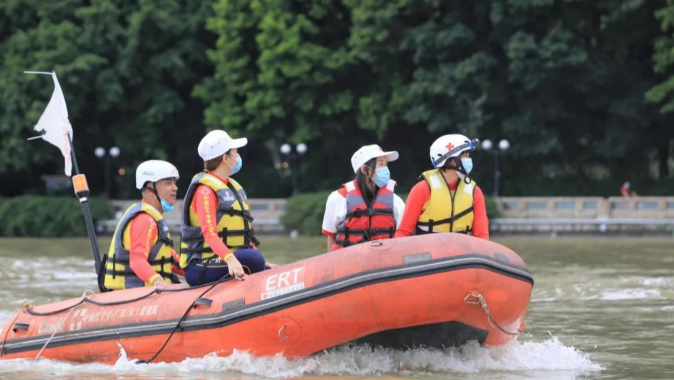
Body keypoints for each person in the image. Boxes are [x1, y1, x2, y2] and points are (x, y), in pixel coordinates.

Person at [180, 130, 277, 286]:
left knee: (255, 259)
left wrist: (262, 262)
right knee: (252, 259)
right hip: (200, 265)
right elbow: (209, 234)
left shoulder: (230, 186)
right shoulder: (205, 190)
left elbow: (245, 237)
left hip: (225, 259)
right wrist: (231, 259)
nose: (238, 156)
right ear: (225, 158)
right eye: (236, 152)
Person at [103, 160, 184, 290]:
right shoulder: (145, 220)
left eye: (174, 182)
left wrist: (201, 271)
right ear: (151, 189)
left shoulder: (153, 219)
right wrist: (157, 280)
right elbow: (137, 261)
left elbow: (172, 259)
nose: (175, 187)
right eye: (169, 183)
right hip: (133, 296)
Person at [395, 134, 489, 240]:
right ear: (451, 160)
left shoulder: (475, 192)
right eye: (465, 156)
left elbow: (482, 237)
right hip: (430, 255)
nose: (469, 160)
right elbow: (403, 232)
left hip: (463, 255)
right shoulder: (422, 189)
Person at [322, 144, 405, 251]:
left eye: (386, 164)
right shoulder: (337, 198)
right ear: (365, 170)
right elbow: (331, 237)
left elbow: (404, 234)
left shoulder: (395, 200)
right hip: (347, 262)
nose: (385, 169)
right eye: (380, 164)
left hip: (383, 260)